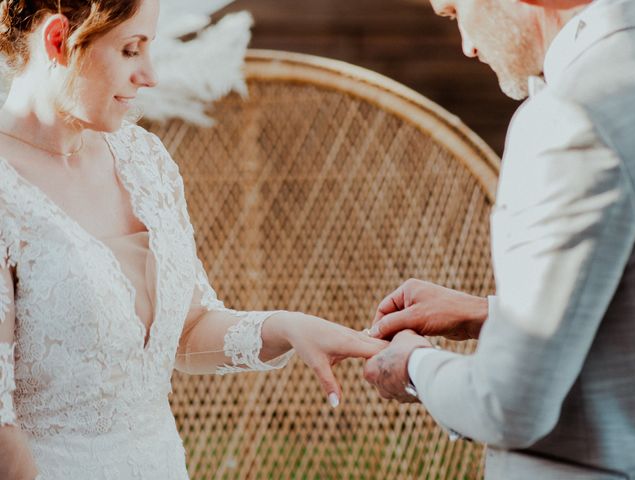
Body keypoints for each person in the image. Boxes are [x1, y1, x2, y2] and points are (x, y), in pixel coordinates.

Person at [0, 1, 386, 478]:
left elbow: (185, 331)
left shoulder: (144, 160)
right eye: (130, 50)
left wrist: (286, 326)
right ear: (59, 40)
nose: (150, 75)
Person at [363, 0, 635, 478]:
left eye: (454, 12)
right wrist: (491, 314)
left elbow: (509, 406)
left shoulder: (570, 117)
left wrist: (413, 368)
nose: (468, 47)